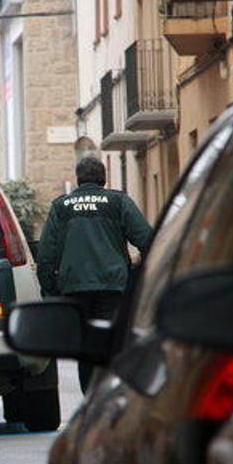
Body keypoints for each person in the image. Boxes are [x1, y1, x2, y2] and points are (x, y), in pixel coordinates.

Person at [36, 156, 152, 393]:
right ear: (104, 177)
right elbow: (148, 240)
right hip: (113, 287)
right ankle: (113, 393)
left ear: (78, 179)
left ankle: (90, 397)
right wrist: (139, 277)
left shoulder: (62, 206)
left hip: (74, 290)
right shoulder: (118, 202)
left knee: (86, 347)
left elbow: (46, 254)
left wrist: (51, 292)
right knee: (113, 343)